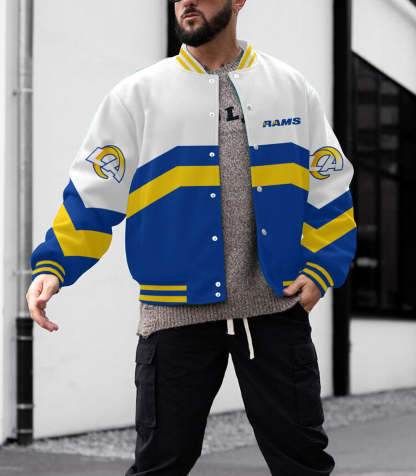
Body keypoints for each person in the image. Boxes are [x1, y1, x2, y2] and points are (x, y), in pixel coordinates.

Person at [26, 0, 357, 474]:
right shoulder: (137, 95)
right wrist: (55, 264)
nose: (186, 1)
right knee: (160, 466)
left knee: (303, 464)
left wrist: (323, 266)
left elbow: (329, 184)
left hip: (273, 310)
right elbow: (93, 190)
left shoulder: (290, 88)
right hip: (174, 314)